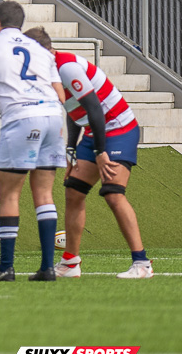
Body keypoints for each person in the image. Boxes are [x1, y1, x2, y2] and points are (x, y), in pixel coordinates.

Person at [22, 28, 151, 279]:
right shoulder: (48, 72)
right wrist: (71, 150)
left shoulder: (67, 67)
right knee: (73, 191)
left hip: (119, 128)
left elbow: (95, 109)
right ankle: (71, 263)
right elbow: (74, 110)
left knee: (113, 194)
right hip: (95, 131)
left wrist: (101, 153)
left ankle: (142, 263)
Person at [0, 0, 64, 281]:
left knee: (10, 194)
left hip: (21, 118)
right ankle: (47, 268)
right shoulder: (41, 50)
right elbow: (61, 94)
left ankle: (6, 266)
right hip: (52, 116)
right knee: (44, 194)